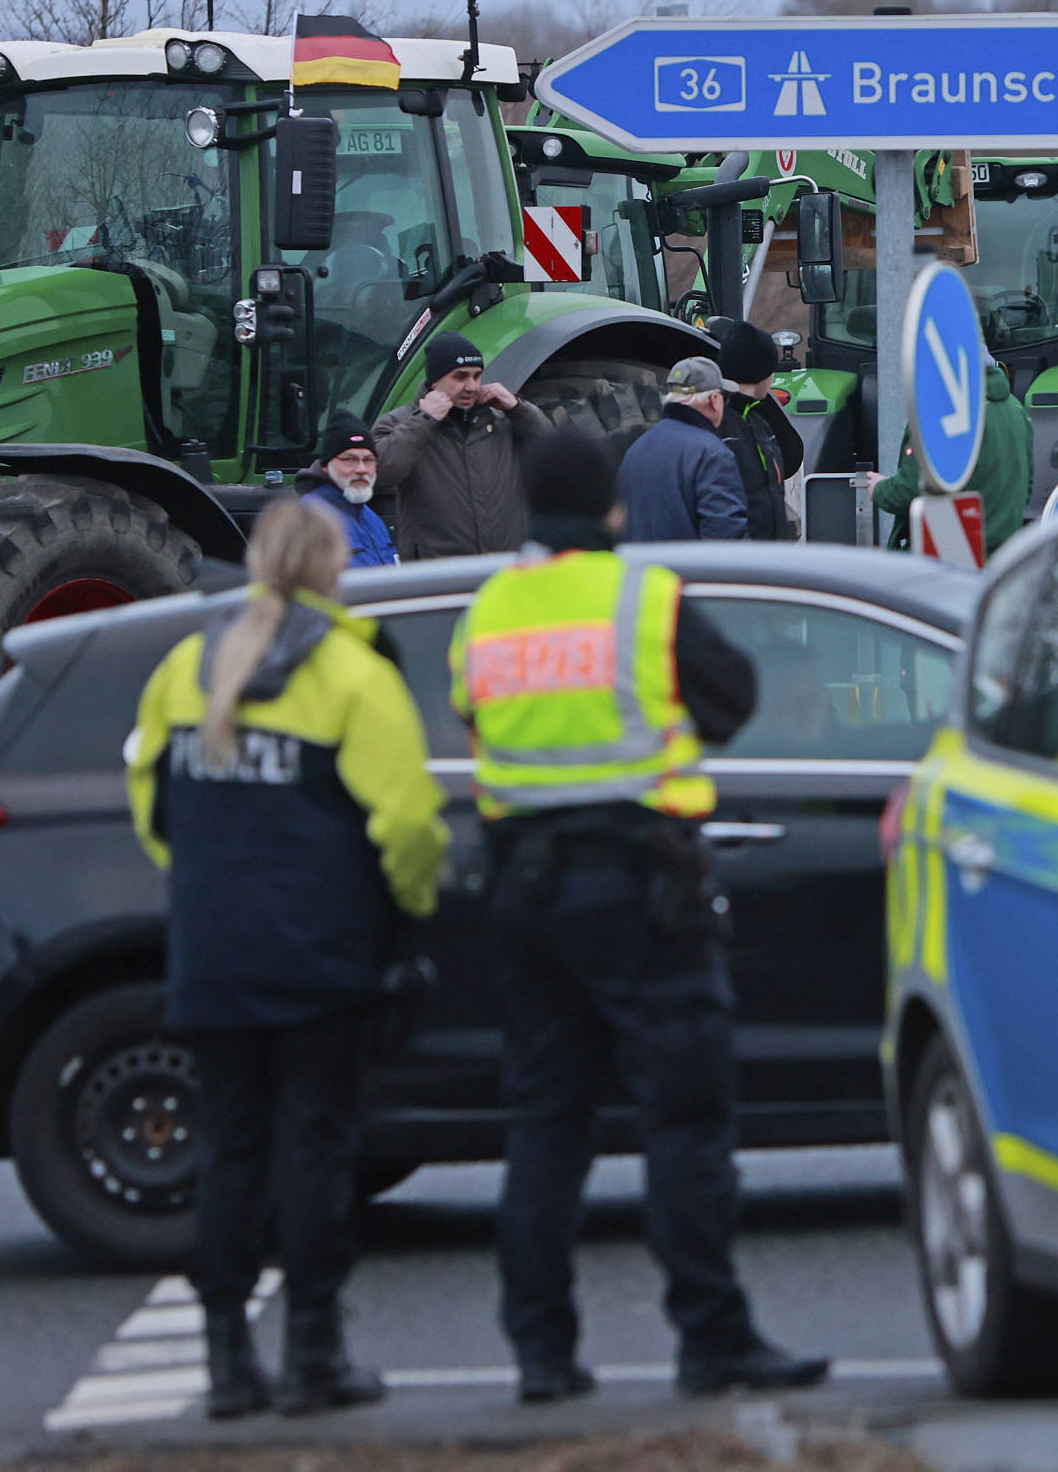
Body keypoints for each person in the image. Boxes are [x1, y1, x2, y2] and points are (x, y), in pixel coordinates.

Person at [452, 425, 828, 1404]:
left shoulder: (488, 609)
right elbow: (732, 697)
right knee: (686, 1119)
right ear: (612, 508)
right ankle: (711, 1337)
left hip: (526, 893)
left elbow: (470, 714)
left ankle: (539, 1351)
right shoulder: (641, 598)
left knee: (543, 1124)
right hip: (640, 885)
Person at [125, 499, 448, 1419]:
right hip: (322, 956)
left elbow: (152, 804)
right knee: (314, 1151)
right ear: (333, 570)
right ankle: (315, 1351)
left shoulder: (192, 665)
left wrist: (209, 888)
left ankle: (228, 1357)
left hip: (214, 952)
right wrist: (410, 909)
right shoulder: (351, 672)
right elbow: (409, 824)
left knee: (229, 1150)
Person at [372, 333, 553, 559]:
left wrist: (520, 409)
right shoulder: (401, 423)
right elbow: (381, 472)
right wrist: (424, 420)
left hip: (505, 568)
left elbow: (555, 453)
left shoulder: (502, 419)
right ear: (434, 381)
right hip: (438, 577)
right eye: (460, 377)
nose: (471, 386)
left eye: (477, 376)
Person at [873, 355, 1032, 555]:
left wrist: (878, 488)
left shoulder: (945, 412)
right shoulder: (1016, 409)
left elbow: (910, 490)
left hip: (948, 556)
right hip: (1001, 557)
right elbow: (1027, 486)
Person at [615, 356, 749, 543]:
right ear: (714, 400)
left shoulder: (637, 449)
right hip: (686, 573)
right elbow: (725, 540)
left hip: (641, 571)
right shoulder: (712, 454)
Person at [706, 318, 804, 541]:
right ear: (764, 375)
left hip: (763, 558)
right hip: (741, 563)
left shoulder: (757, 422)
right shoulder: (724, 429)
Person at [296, 416, 398, 567]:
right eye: (349, 459)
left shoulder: (370, 517)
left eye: (369, 460)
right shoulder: (310, 517)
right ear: (325, 466)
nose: (361, 469)